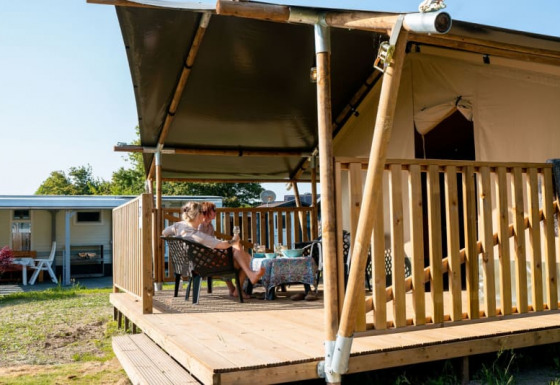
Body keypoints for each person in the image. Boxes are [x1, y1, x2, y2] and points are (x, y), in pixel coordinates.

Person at [162, 201, 264, 298]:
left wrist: (177, 239)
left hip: (187, 262)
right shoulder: (196, 235)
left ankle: (242, 283)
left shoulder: (179, 225)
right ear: (198, 215)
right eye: (202, 213)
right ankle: (249, 276)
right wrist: (234, 240)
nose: (204, 215)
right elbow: (222, 245)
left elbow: (164, 233)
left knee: (239, 257)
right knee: (238, 254)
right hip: (201, 264)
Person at [199, 201, 237, 297]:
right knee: (228, 257)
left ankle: (237, 286)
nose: (215, 212)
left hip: (209, 254)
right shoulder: (200, 225)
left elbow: (211, 241)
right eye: (213, 210)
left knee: (231, 256)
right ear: (206, 212)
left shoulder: (210, 226)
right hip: (200, 258)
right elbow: (201, 244)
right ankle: (237, 287)